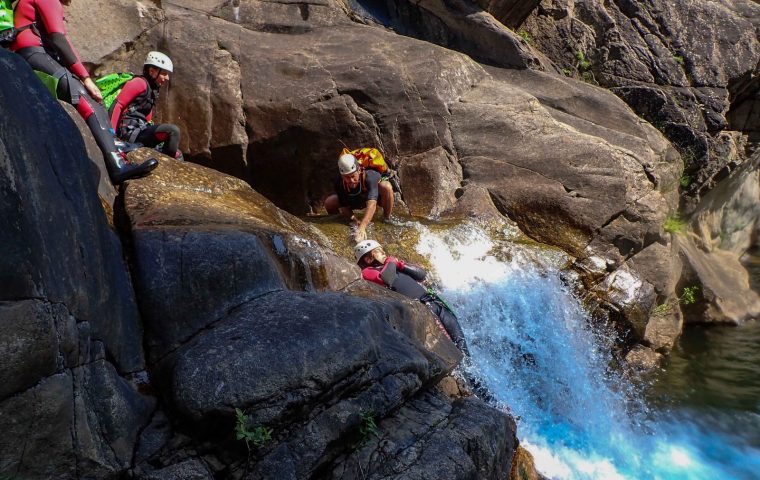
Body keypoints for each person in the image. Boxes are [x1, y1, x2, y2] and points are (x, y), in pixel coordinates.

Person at [10, 0, 157, 183]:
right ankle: (117, 165)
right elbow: (58, 39)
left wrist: (84, 76)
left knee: (95, 97)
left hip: (35, 54)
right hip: (32, 54)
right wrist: (85, 79)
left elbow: (65, 44)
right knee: (83, 97)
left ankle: (111, 142)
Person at [354, 239, 469, 355]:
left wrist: (400, 264)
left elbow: (421, 275)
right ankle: (458, 370)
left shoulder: (393, 266)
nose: (384, 253)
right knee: (449, 346)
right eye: (378, 251)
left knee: (461, 342)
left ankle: (469, 367)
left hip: (433, 303)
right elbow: (387, 278)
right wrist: (391, 262)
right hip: (423, 310)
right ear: (368, 259)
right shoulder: (368, 271)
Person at [110, 51, 182, 160]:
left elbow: (147, 120)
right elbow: (117, 106)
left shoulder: (152, 91)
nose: (167, 78)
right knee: (173, 131)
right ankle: (168, 166)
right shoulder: (139, 83)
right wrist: (110, 135)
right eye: (164, 73)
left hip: (140, 131)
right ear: (152, 71)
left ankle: (166, 168)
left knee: (178, 154)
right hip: (129, 133)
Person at [324, 152, 394, 242]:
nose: (351, 180)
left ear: (359, 170)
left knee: (386, 187)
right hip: (353, 200)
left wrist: (362, 226)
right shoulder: (339, 182)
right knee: (329, 202)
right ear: (342, 176)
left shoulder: (370, 176)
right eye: (347, 177)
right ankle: (341, 221)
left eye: (353, 176)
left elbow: (372, 204)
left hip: (374, 198)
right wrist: (355, 221)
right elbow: (343, 206)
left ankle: (386, 218)